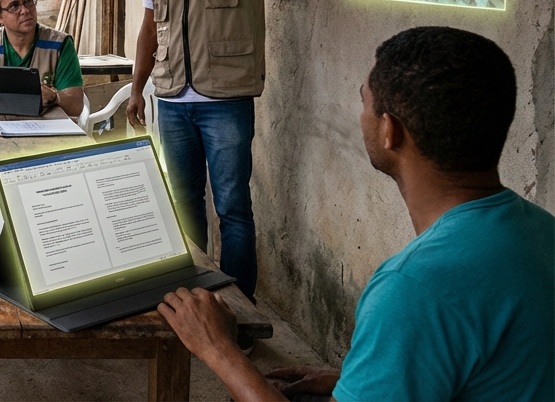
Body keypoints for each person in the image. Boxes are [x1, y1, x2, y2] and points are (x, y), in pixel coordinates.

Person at [157, 27, 553, 402]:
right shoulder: (542, 230)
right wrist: (356, 378)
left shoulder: (413, 287)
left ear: (390, 131)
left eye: (364, 101)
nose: (361, 113)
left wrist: (220, 351)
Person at [127, 0, 394, 300]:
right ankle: (193, 302)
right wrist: (138, 89)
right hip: (172, 101)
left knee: (232, 209)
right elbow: (148, 29)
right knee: (183, 206)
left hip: (224, 104)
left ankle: (239, 311)